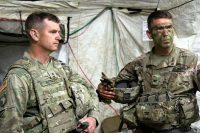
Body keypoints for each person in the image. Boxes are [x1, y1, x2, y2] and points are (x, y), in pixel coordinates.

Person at [97, 10, 200, 133]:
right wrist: (102, 90)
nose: (166, 33)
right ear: (149, 34)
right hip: (145, 128)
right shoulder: (139, 63)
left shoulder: (191, 59)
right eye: (159, 29)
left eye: (169, 27)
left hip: (179, 129)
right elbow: (117, 84)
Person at [0, 12, 99, 133]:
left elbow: (89, 90)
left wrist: (93, 117)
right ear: (35, 34)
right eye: (53, 32)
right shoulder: (18, 76)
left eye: (58, 32)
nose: (59, 37)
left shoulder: (61, 68)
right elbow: (9, 128)